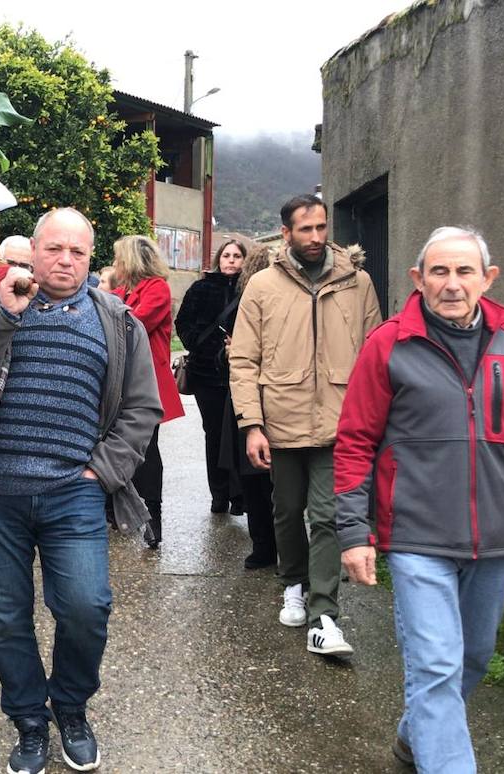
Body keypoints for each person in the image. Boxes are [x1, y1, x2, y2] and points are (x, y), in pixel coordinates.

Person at [336, 226, 504, 771]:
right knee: (437, 666)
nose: (451, 283)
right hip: (417, 536)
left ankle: (413, 737)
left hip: (493, 537)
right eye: (439, 272)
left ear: (487, 278)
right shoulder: (389, 344)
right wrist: (355, 533)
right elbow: (355, 442)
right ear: (418, 280)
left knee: (471, 659)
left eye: (464, 271)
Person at [0, 208, 163, 774]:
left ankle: (71, 706)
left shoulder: (118, 320)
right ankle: (30, 722)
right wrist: (4, 315)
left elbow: (141, 408)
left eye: (78, 253)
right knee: (6, 616)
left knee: (86, 606)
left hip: (74, 492)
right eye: (54, 249)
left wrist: (101, 472)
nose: (65, 260)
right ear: (32, 252)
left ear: (91, 259)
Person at [229, 193, 381, 657]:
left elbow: (375, 351)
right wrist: (251, 424)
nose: (316, 237)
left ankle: (325, 615)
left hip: (341, 423)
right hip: (282, 420)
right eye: (306, 229)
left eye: (321, 227)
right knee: (286, 510)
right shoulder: (261, 287)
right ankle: (292, 583)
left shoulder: (358, 283)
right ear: (286, 234)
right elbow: (243, 359)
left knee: (329, 515)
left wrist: (372, 421)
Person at [110, 234, 185, 548]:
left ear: (130, 260)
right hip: (118, 382)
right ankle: (116, 510)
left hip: (145, 382)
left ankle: (152, 515)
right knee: (115, 446)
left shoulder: (157, 289)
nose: (114, 265)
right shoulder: (119, 291)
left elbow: (133, 324)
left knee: (146, 451)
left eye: (118, 258)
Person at [214, 246, 279, 569]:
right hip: (259, 394)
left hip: (248, 394)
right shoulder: (257, 301)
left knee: (257, 476)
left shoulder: (248, 301)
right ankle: (270, 545)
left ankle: (265, 546)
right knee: (267, 479)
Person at [175, 239, 246, 517]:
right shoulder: (201, 288)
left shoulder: (251, 288)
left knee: (241, 434)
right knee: (214, 435)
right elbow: (183, 323)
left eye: (237, 255)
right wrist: (201, 346)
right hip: (206, 375)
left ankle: (241, 496)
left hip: (241, 374)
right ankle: (219, 494)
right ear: (219, 258)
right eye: (226, 255)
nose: (231, 260)